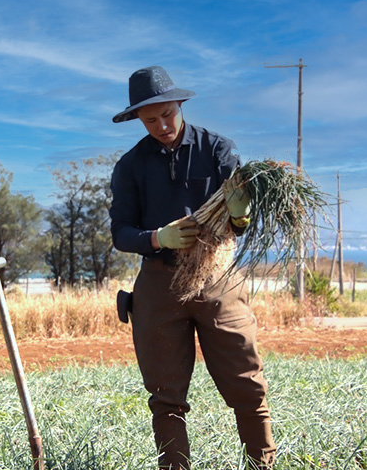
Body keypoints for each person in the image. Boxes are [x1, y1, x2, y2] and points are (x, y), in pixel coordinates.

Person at [109, 66, 276, 469]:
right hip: (158, 284)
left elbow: (239, 222)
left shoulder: (218, 149)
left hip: (217, 279)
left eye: (168, 114)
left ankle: (263, 465)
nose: (162, 125)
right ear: (137, 119)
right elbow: (121, 233)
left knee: (246, 385)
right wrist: (157, 238)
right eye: (151, 120)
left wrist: (241, 215)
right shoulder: (130, 166)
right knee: (165, 396)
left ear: (180, 105)